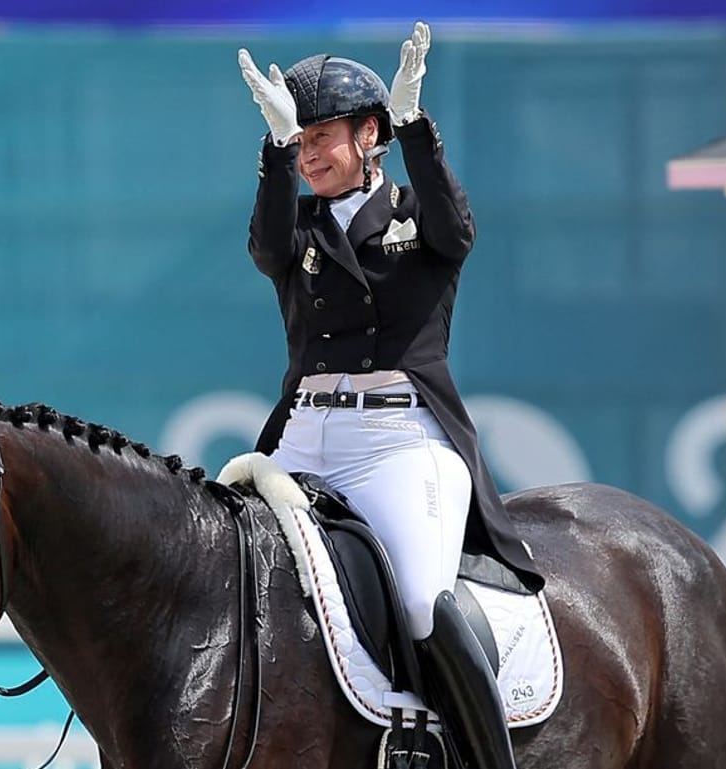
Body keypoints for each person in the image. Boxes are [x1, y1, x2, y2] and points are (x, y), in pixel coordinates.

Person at [237, 22, 544, 769]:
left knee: (418, 599)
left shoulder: (416, 218)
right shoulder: (299, 227)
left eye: (321, 137)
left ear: (367, 133)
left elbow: (457, 228)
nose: (310, 152)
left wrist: (415, 130)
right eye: (299, 139)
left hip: (400, 442)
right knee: (229, 568)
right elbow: (264, 249)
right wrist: (276, 156)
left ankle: (468, 755)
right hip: (303, 438)